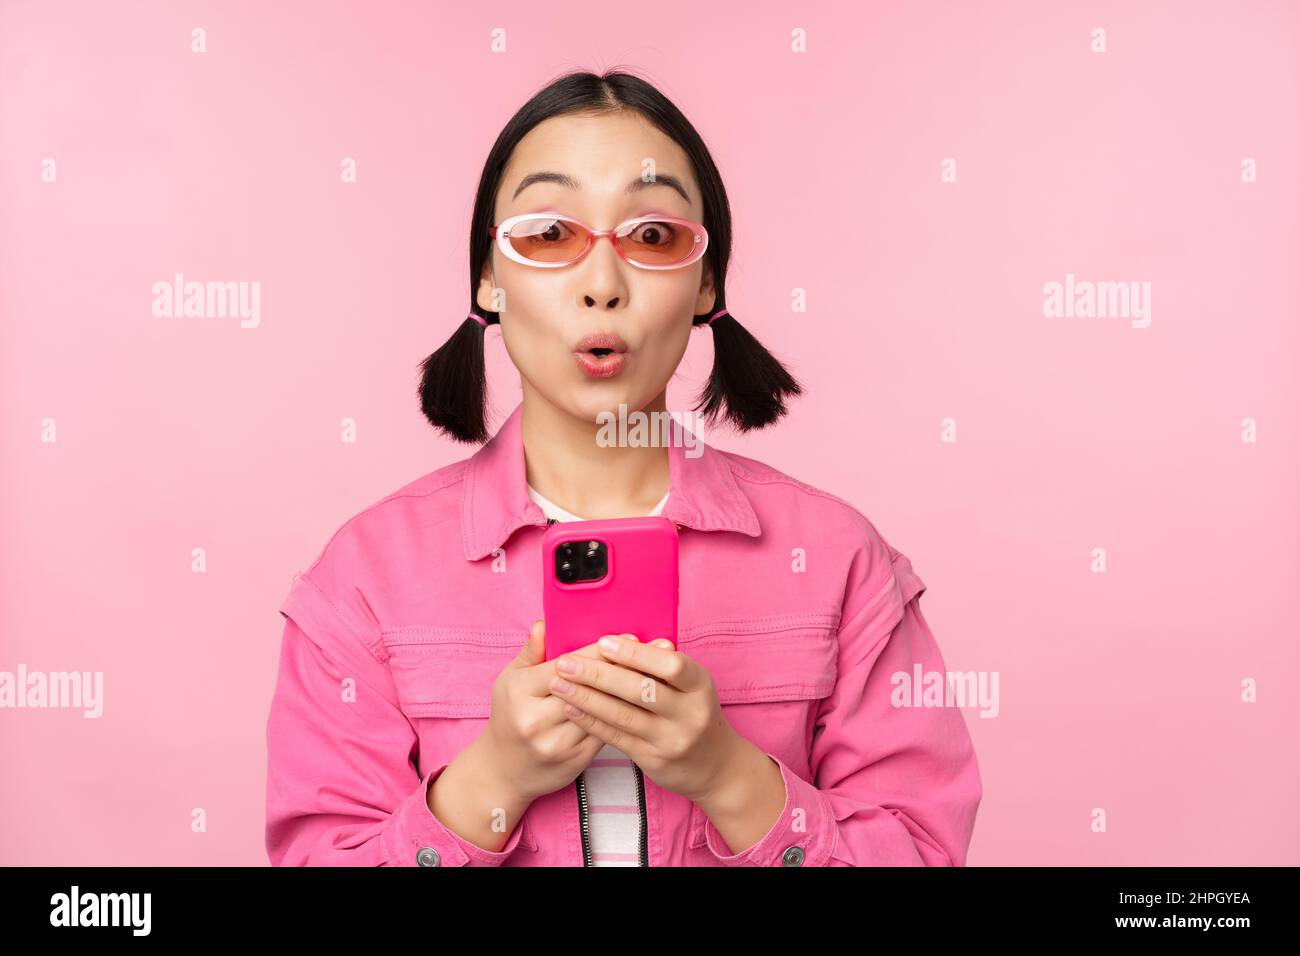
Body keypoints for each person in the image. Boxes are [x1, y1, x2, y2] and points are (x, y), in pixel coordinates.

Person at [264, 68, 982, 866]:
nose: (602, 285)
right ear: (489, 280)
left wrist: (728, 775)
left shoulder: (840, 560)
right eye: (548, 234)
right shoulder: (364, 579)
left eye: (652, 237)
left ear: (706, 282)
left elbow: (924, 850)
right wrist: (492, 781)